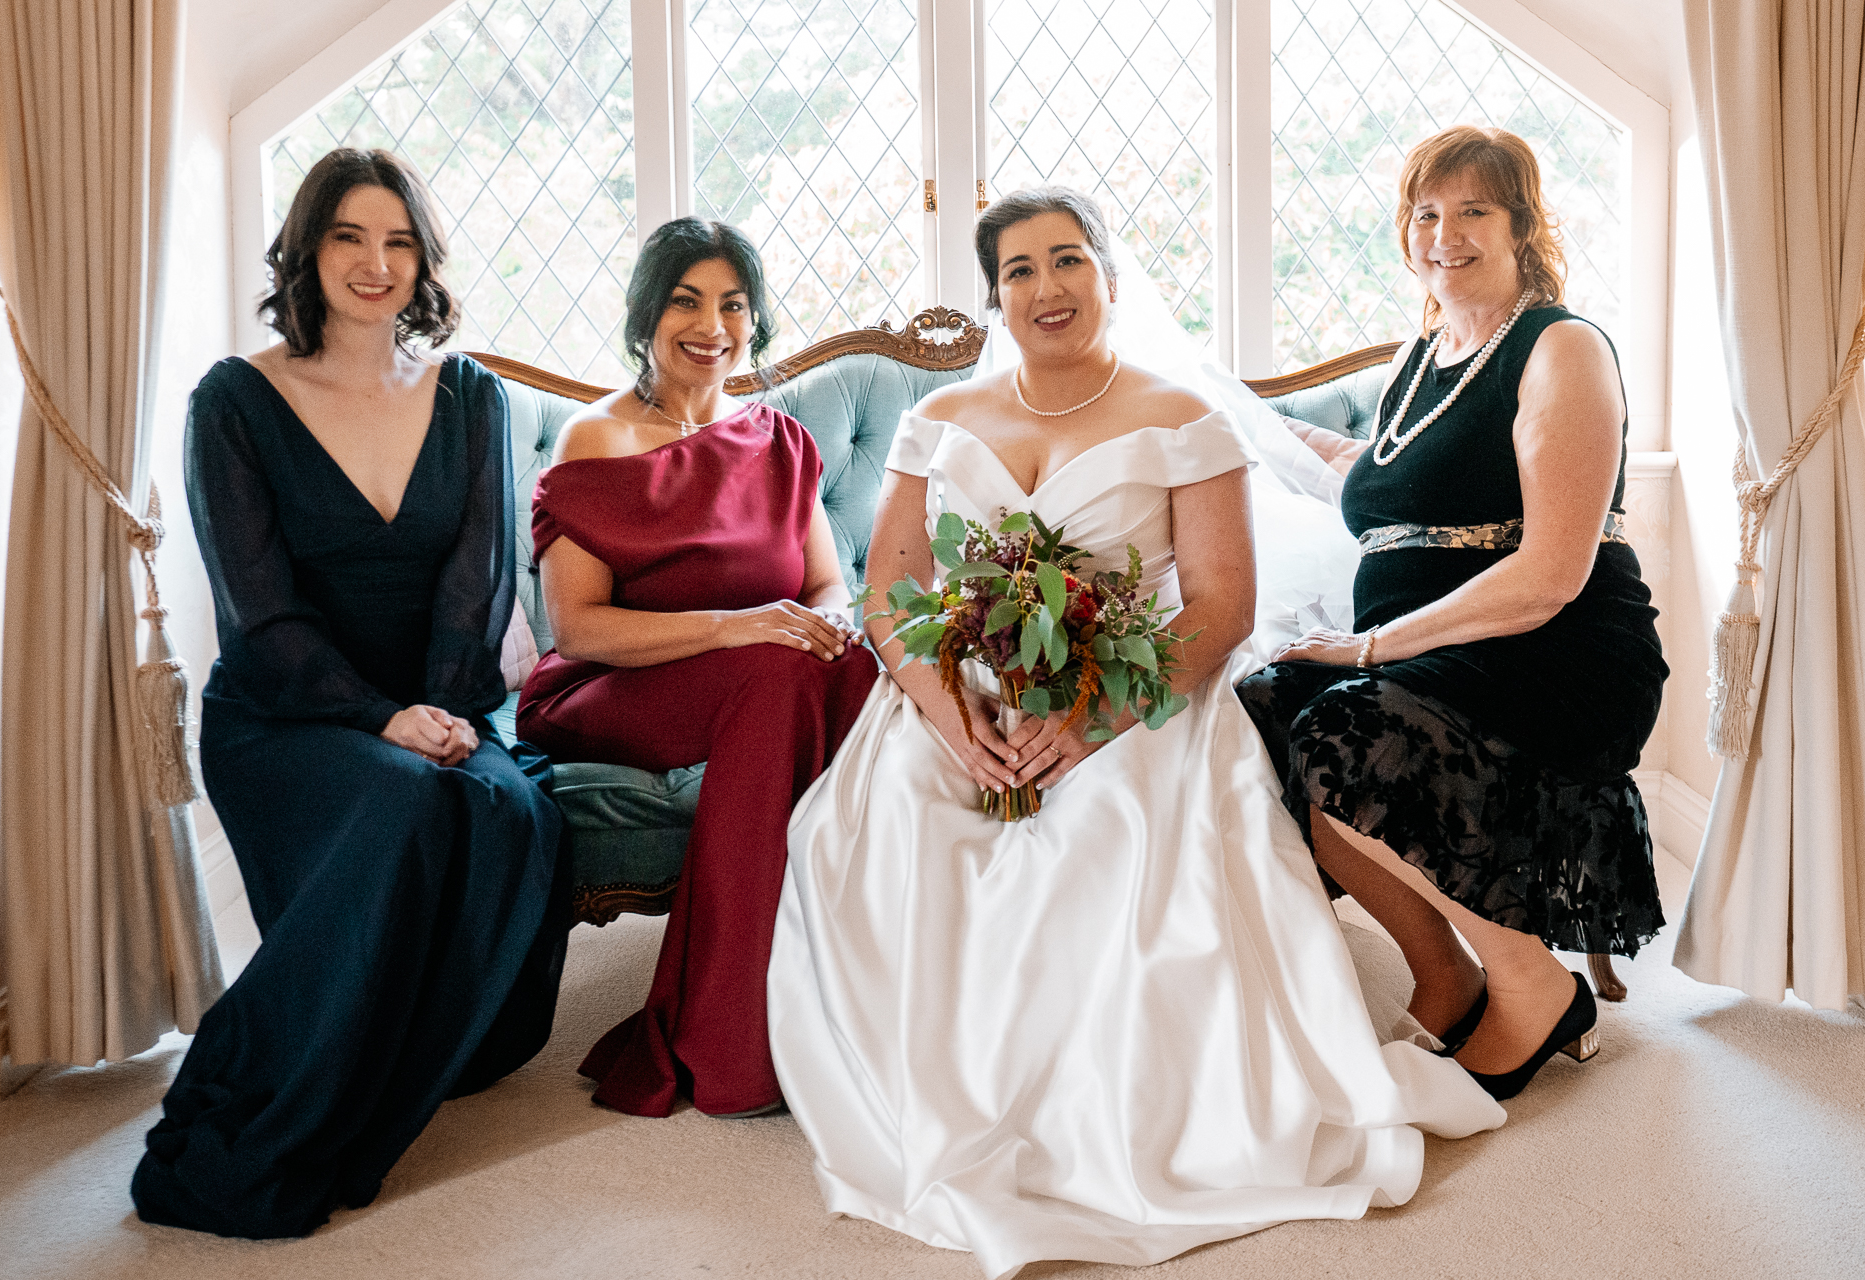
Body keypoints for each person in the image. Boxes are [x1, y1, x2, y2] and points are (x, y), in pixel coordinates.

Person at [766, 187, 1503, 1280]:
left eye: (1068, 260)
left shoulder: (1179, 416)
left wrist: (1086, 728)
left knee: (1105, 828)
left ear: (1109, 275)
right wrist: (949, 709)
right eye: (1019, 270)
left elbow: (1219, 606)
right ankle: (948, 1100)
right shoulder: (939, 424)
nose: (1047, 286)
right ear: (994, 298)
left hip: (1139, 695)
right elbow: (892, 591)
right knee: (881, 828)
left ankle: (1108, 1118)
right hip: (960, 692)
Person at [132, 149, 570, 1237]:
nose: (375, 263)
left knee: (510, 810)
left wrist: (439, 709)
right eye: (348, 236)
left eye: (398, 240)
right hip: (289, 712)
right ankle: (272, 1103)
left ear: (423, 261)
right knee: (403, 800)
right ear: (307, 249)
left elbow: (480, 583)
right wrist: (379, 719)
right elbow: (258, 612)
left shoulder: (471, 394)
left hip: (440, 693)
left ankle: (418, 1045)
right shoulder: (233, 400)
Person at [1237, 125, 1668, 1102]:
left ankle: (1533, 987)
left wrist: (1371, 645)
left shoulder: (1561, 347)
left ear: (1522, 224)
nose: (1444, 232)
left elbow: (1549, 575)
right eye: (1425, 212)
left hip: (1554, 650)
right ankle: (1445, 971)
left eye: (1473, 208)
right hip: (1442, 654)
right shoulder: (1421, 354)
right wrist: (1256, 430)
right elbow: (1386, 481)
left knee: (1346, 721)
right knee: (1268, 706)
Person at [513, 217, 879, 1119]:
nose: (711, 324)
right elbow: (578, 627)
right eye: (687, 300)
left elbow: (831, 584)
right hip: (613, 686)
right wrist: (739, 627)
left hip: (751, 675)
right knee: (772, 671)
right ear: (648, 311)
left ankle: (857, 1007)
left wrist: (822, 627)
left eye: (733, 305)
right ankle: (727, 1038)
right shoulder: (596, 441)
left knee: (857, 667)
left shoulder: (781, 444)